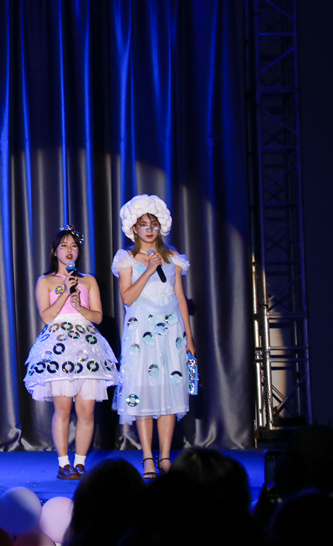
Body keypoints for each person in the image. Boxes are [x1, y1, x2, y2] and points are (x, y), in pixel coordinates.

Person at [24, 225, 120, 480]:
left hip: (87, 347)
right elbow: (46, 317)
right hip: (58, 348)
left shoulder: (88, 281)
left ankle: (80, 463)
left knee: (86, 410)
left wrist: (79, 306)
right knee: (63, 409)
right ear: (54, 251)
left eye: (74, 246)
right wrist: (65, 292)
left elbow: (97, 317)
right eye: (64, 246)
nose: (69, 251)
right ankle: (63, 463)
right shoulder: (45, 281)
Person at [111, 194, 194, 479]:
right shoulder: (126, 258)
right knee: (143, 391)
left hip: (170, 331)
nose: (149, 229)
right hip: (141, 331)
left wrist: (190, 339)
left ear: (161, 227)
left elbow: (180, 298)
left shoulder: (172, 256)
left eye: (154, 224)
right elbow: (127, 297)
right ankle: (148, 458)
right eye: (143, 224)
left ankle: (166, 457)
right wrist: (148, 270)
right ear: (134, 228)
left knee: (170, 392)